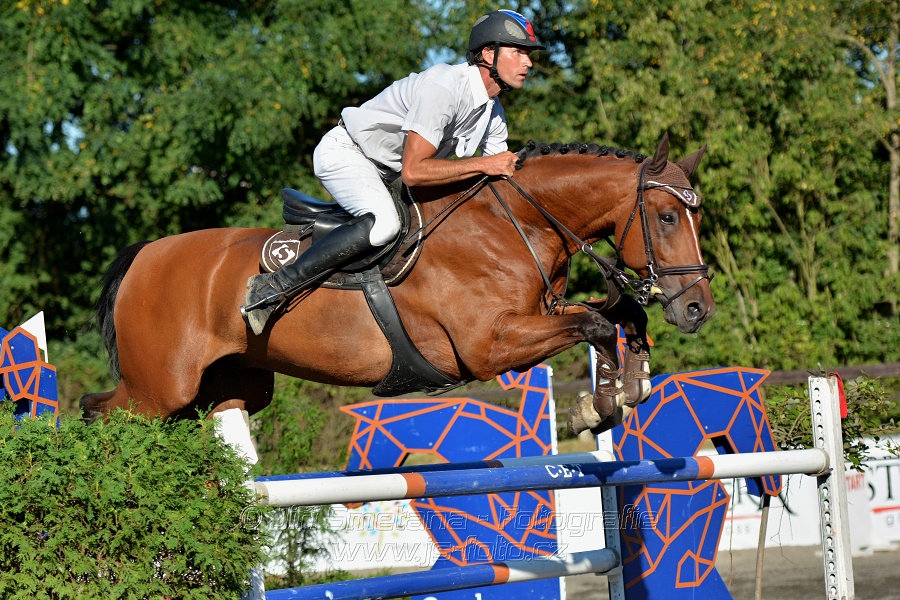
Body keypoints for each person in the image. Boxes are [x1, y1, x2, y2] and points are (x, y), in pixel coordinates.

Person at [241, 9, 544, 335]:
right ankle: (272, 288)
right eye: (519, 52)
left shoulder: (493, 112)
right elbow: (415, 171)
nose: (528, 63)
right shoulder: (444, 87)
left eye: (528, 54)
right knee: (385, 225)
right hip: (349, 155)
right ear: (488, 54)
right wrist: (485, 163)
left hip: (391, 175)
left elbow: (497, 182)